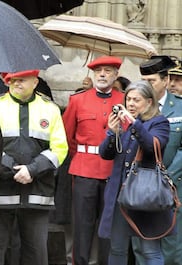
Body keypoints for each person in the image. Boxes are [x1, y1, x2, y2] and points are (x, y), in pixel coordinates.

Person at [0, 69, 68, 265]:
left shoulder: (50, 109)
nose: (16, 83)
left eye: (22, 80)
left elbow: (60, 148)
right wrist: (12, 168)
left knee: (35, 254)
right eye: (12, 80)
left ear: (35, 82)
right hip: (0, 191)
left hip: (37, 192)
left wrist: (32, 170)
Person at [98, 79, 171, 265]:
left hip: (145, 194)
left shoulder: (159, 122)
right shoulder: (124, 123)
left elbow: (151, 146)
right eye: (128, 99)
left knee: (150, 251)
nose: (130, 104)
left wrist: (134, 124)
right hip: (119, 194)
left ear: (149, 102)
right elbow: (105, 154)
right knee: (117, 248)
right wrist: (112, 132)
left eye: (136, 100)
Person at [62, 55, 124, 265]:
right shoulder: (77, 100)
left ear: (116, 75)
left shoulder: (124, 100)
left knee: (109, 226)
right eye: (98, 71)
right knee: (82, 225)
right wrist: (82, 156)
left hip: (113, 170)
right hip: (84, 169)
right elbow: (67, 135)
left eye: (107, 71)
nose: (102, 75)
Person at [135, 55, 182, 265]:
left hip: (173, 185)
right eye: (143, 81)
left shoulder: (179, 107)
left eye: (151, 81)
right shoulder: (135, 106)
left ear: (165, 80)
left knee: (171, 243)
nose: (146, 86)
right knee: (140, 242)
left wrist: (167, 176)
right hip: (140, 185)